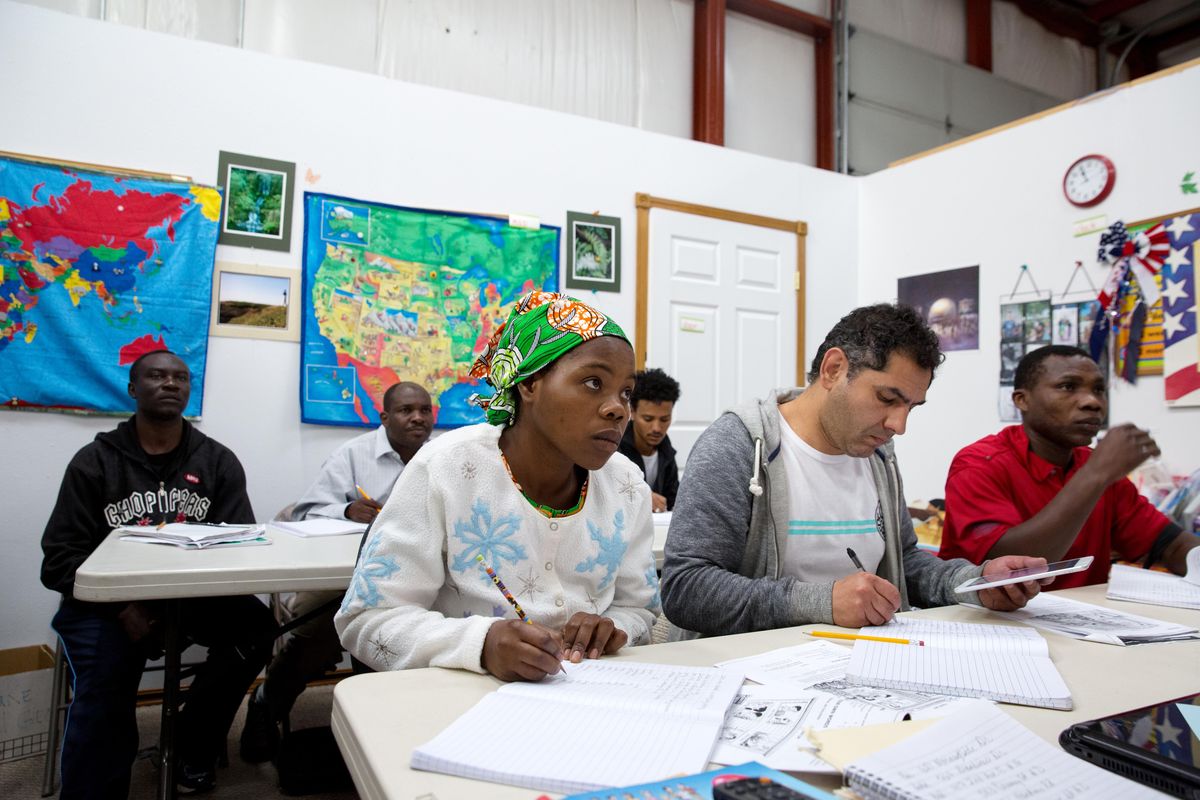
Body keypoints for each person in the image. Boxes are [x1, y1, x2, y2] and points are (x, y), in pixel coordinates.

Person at [660, 304, 1047, 638]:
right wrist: (823, 601)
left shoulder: (878, 454)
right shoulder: (739, 444)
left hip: (856, 663)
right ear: (833, 369)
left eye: (911, 407)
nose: (899, 424)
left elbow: (905, 560)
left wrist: (974, 583)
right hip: (750, 668)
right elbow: (687, 589)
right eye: (886, 398)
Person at [335, 291, 660, 681]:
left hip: (588, 697)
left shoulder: (626, 486)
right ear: (529, 384)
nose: (619, 408)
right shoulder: (445, 468)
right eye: (593, 382)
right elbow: (367, 618)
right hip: (459, 703)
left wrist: (613, 627)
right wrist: (481, 644)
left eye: (626, 392)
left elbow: (640, 608)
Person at [40, 350, 275, 797]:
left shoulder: (217, 461)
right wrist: (123, 606)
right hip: (106, 607)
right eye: (157, 376)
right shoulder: (94, 462)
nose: (170, 384)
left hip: (191, 600)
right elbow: (59, 557)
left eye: (181, 378)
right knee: (106, 681)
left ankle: (189, 746)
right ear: (133, 389)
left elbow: (238, 545)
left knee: (257, 630)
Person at [239, 381, 433, 762]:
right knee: (328, 625)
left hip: (411, 575)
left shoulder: (441, 456)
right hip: (339, 577)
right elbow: (305, 510)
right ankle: (266, 704)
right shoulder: (354, 454)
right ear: (384, 417)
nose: (417, 418)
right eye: (406, 410)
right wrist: (345, 510)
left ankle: (395, 723)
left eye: (424, 410)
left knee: (411, 622)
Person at [939, 345, 1200, 588]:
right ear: (1021, 400)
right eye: (1067, 386)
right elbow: (1013, 570)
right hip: (989, 627)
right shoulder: (979, 463)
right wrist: (1096, 475)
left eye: (1099, 390)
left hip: (1084, 628)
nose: (1092, 402)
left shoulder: (1095, 467)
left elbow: (1172, 545)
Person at [617, 367, 681, 512]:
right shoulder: (614, 450)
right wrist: (643, 496)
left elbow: (673, 501)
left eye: (665, 419)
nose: (657, 428)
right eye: (648, 419)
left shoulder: (667, 452)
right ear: (632, 412)